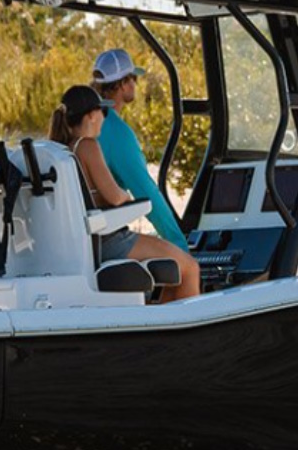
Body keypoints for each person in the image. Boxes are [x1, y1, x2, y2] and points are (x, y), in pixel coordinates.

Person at [50, 84, 200, 301]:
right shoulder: (88, 146)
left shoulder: (62, 148)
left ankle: (163, 321)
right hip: (109, 240)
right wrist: (128, 197)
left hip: (86, 243)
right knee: (190, 267)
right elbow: (115, 197)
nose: (105, 118)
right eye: (103, 111)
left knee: (176, 273)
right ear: (91, 116)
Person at [89, 49, 191, 249]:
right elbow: (147, 194)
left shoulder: (82, 123)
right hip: (104, 238)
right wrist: (180, 245)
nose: (135, 84)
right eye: (133, 79)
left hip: (86, 235)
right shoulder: (116, 133)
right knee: (185, 262)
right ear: (123, 84)